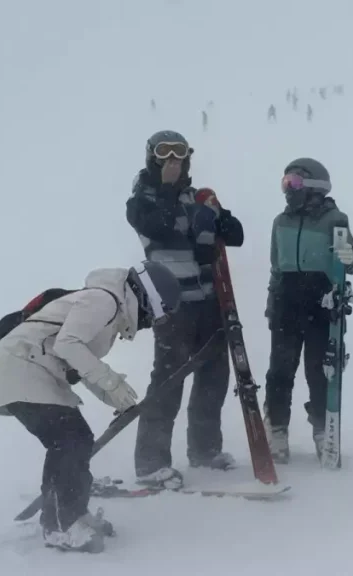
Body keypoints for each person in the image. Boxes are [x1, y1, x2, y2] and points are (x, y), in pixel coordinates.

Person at [0, 263, 181, 553]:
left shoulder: (107, 307)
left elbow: (77, 363)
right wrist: (111, 383)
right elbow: (68, 345)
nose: (148, 324)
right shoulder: (104, 300)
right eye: (154, 317)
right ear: (147, 299)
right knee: (70, 441)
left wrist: (115, 397)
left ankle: (71, 516)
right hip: (23, 369)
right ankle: (61, 524)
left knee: (73, 441)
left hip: (31, 371)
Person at [125, 130, 245, 488]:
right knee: (168, 380)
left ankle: (205, 449)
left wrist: (216, 216)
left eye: (179, 153)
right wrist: (168, 190)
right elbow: (158, 228)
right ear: (152, 158)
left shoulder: (196, 199)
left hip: (207, 299)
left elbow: (235, 235)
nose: (173, 160)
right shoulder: (141, 201)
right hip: (172, 306)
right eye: (164, 153)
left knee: (213, 376)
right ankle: (151, 462)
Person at [263, 158, 353, 464]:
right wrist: (272, 302)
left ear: (314, 185)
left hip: (321, 303)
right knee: (280, 370)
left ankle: (323, 428)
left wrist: (348, 257)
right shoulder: (281, 221)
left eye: (293, 182)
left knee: (319, 371)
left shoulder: (335, 219)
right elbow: (276, 265)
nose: (288, 189)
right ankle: (276, 428)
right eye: (285, 182)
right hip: (286, 301)